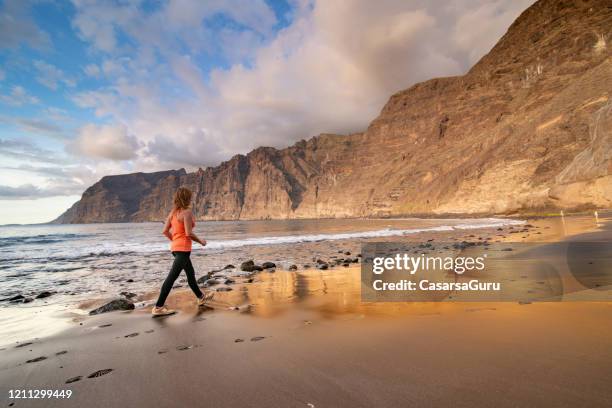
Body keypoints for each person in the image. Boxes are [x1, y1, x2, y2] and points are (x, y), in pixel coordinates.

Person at [152, 187, 213, 316]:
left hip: (175, 248)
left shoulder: (172, 213)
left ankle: (201, 297)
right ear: (187, 198)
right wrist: (201, 241)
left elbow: (164, 231)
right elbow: (188, 233)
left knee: (190, 274)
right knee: (171, 278)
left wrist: (174, 240)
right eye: (190, 197)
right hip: (183, 249)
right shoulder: (187, 212)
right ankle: (158, 307)